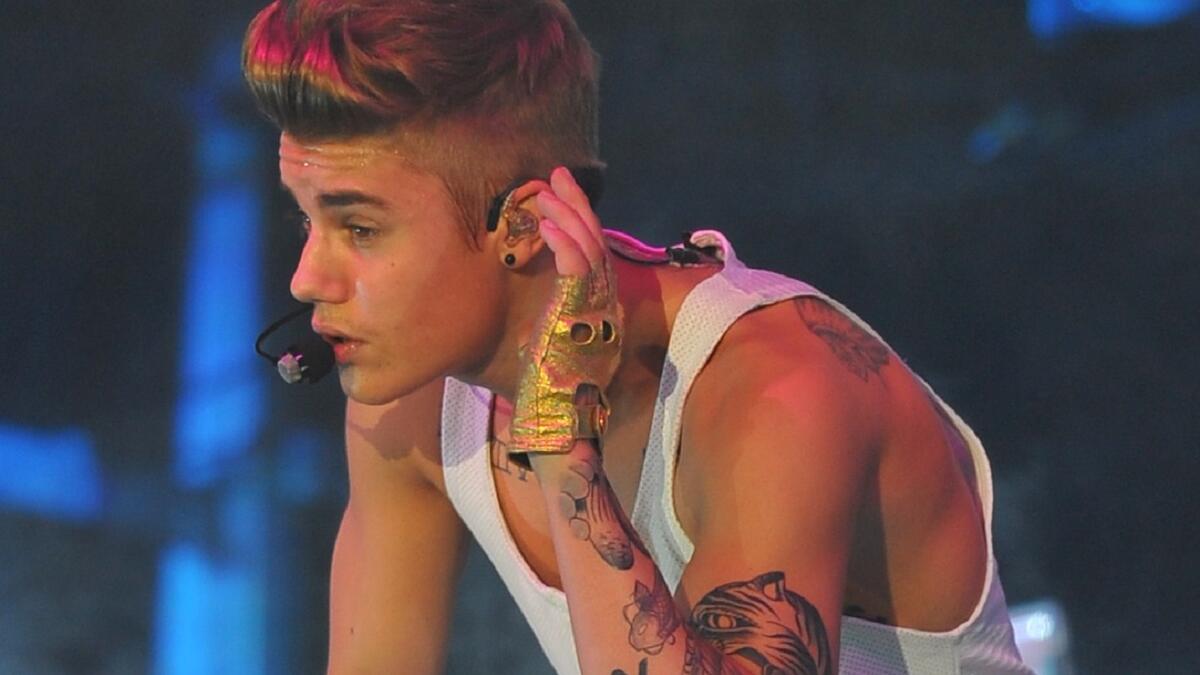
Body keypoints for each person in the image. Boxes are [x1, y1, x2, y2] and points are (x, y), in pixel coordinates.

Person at [242, 1, 1034, 673]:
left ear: (522, 225)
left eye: (360, 228)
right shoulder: (408, 403)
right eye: (305, 221)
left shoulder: (781, 391)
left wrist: (559, 436)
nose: (306, 278)